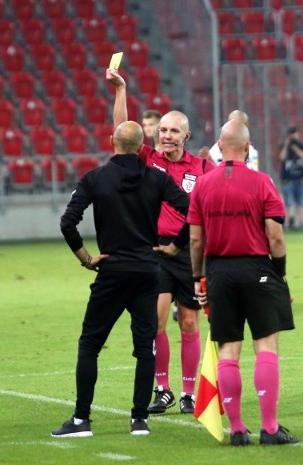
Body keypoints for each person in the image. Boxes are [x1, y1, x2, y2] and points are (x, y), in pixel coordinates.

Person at [52, 121, 191, 437]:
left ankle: (81, 419)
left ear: (112, 140)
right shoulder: (158, 178)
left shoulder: (95, 179)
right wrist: (174, 247)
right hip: (147, 271)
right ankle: (139, 419)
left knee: (90, 343)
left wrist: (86, 259)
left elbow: (67, 223)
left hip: (112, 271)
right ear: (143, 143)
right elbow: (193, 210)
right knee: (145, 346)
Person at [106, 68, 216, 416]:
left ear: (187, 135)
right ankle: (163, 388)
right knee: (153, 322)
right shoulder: (146, 160)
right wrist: (120, 91)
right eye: (163, 129)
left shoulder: (201, 167)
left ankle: (187, 392)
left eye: (173, 131)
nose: (166, 135)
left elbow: (215, 206)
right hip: (155, 252)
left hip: (190, 252)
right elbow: (121, 132)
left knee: (188, 322)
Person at [187, 119, 299, 446]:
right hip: (257, 269)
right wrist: (279, 273)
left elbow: (196, 240)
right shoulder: (262, 182)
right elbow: (275, 236)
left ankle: (236, 430)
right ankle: (269, 428)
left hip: (219, 272)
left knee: (228, 351)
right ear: (248, 148)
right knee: (265, 346)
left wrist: (198, 278)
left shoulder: (203, 185)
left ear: (220, 147)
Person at [278, 126, 303, 229]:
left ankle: (302, 222)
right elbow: (281, 157)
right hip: (288, 179)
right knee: (287, 203)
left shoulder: (302, 146)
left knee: (301, 202)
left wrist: (296, 149)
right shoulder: (284, 146)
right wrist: (287, 145)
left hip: (301, 178)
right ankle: (286, 223)